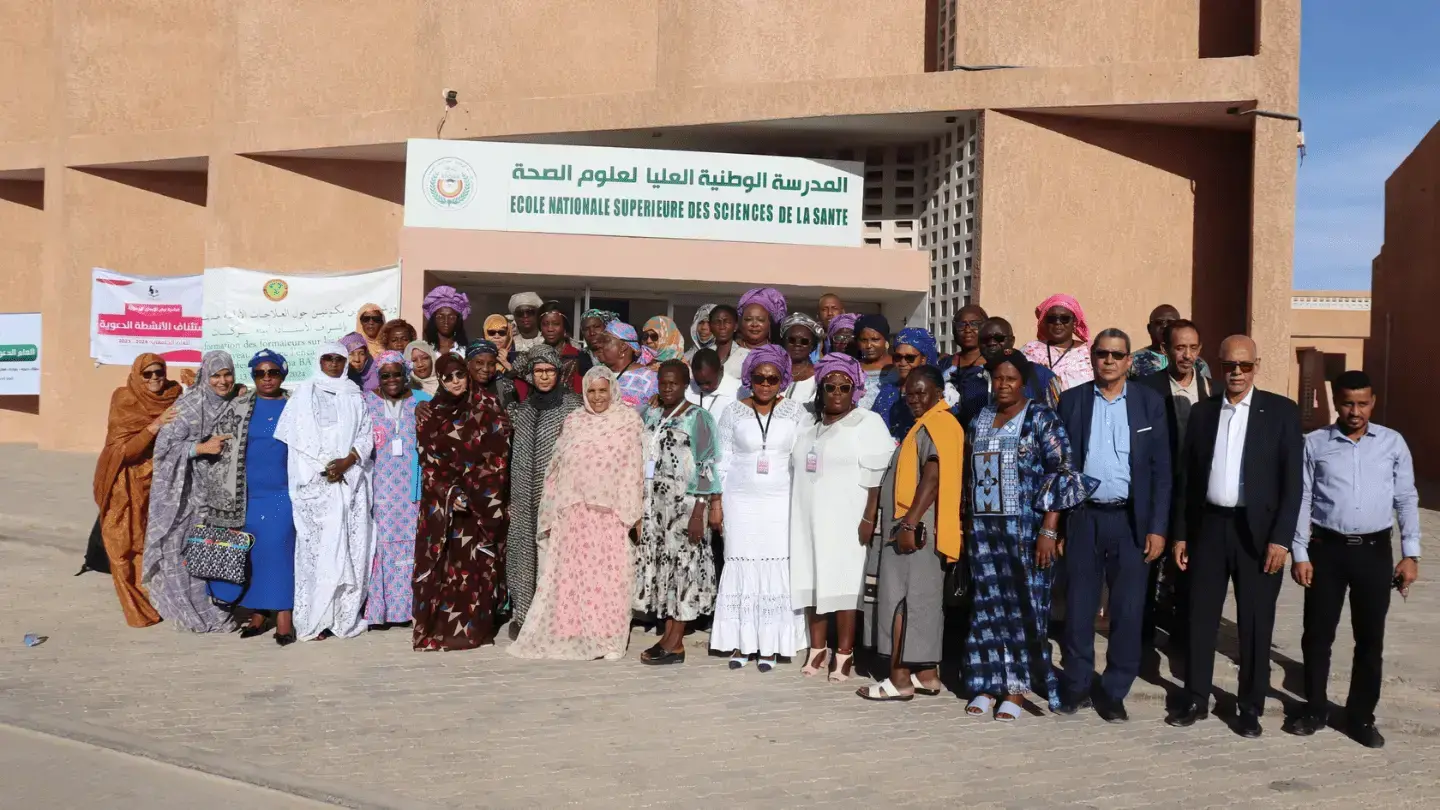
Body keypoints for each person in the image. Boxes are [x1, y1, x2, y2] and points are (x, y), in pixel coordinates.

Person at [1167, 336, 1303, 737]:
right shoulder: (1204, 412)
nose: (1237, 373)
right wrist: (1180, 535)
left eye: (1244, 365)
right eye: (1230, 366)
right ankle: (1194, 697)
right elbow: (1186, 480)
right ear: (1219, 367)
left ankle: (1249, 706)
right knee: (1200, 616)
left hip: (1258, 536)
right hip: (1209, 528)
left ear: (1256, 365)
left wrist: (1282, 539)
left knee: (1255, 622)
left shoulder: (1280, 412)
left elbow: (1293, 484)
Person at [1286, 370, 1421, 748]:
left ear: (1373, 402)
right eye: (1347, 403)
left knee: (1369, 639)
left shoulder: (1392, 444)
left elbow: (1406, 499)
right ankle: (1314, 708)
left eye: (1362, 403)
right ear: (1336, 402)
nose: (1355, 411)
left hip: (1375, 552)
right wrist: (1300, 553)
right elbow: (1303, 499)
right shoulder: (1314, 444)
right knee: (1317, 635)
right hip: (1326, 551)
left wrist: (1410, 553)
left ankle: (1360, 716)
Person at [962, 350, 1094, 718]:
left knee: (1024, 609)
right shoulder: (981, 418)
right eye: (998, 379)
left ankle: (1016, 690)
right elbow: (968, 476)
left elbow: (1063, 470)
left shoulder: (1041, 418)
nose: (1003, 385)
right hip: (985, 534)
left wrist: (1049, 529)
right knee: (987, 608)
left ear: (1023, 382)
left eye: (1011, 379)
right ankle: (987, 684)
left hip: (1027, 532)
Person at [1055, 329, 1171, 722]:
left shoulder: (1148, 403)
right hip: (1083, 518)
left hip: (1131, 521)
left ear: (1127, 361)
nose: (1108, 360)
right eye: (1102, 353)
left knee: (1127, 610)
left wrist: (1157, 527)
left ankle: (1114, 690)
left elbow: (1161, 470)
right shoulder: (1071, 402)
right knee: (1079, 608)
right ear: (1092, 357)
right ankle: (1076, 685)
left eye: (1116, 355)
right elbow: (1058, 467)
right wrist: (1054, 526)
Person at [509, 366, 646, 661]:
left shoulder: (628, 421)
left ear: (612, 390)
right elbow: (556, 466)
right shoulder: (574, 421)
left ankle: (608, 637)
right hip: (574, 513)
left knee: (609, 575)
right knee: (573, 575)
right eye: (592, 391)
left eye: (602, 390)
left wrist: (633, 512)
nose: (597, 397)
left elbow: (635, 467)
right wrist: (552, 509)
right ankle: (573, 630)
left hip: (611, 514)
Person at [857, 366, 964, 701]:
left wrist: (908, 523)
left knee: (900, 602)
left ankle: (899, 679)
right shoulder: (931, 424)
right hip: (921, 528)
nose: (915, 399)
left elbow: (932, 478)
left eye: (922, 392)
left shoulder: (938, 424)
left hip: (915, 530)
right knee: (923, 602)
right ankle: (927, 675)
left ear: (938, 393)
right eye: (910, 394)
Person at [790, 353, 893, 683]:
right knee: (812, 577)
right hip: (807, 514)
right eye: (829, 386)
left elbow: (877, 474)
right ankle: (817, 648)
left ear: (854, 390)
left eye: (844, 387)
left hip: (847, 515)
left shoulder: (867, 422)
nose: (836, 392)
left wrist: (868, 517)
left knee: (845, 581)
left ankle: (844, 653)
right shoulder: (809, 424)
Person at [712, 345, 807, 670]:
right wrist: (716, 502)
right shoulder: (732, 412)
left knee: (775, 567)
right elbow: (721, 460)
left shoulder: (796, 412)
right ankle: (742, 643)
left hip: (780, 502)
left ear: (782, 380)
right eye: (759, 378)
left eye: (772, 379)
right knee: (740, 563)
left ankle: (770, 646)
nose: (765, 384)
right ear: (749, 378)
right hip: (740, 502)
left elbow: (804, 457)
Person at [274, 342, 374, 641]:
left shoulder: (354, 395)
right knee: (316, 554)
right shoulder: (303, 394)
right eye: (327, 358)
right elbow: (295, 439)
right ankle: (314, 621)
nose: (333, 363)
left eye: (339, 359)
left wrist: (348, 461)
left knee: (351, 552)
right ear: (319, 361)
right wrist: (324, 467)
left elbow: (366, 434)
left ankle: (343, 618)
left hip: (350, 484)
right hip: (315, 488)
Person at [413, 354, 513, 651]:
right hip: (445, 505)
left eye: (460, 375)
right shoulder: (430, 413)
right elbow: (428, 460)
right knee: (447, 567)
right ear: (440, 380)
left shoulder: (489, 407)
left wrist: (475, 491)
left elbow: (499, 455)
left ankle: (476, 630)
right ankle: (440, 629)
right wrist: (450, 492)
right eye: (448, 377)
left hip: (482, 501)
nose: (455, 382)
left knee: (477, 567)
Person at [144, 351, 243, 633]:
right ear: (205, 376)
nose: (222, 381)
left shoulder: (236, 402)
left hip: (220, 493)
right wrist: (200, 448)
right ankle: (192, 610)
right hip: (186, 494)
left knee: (214, 549)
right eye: (216, 375)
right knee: (182, 550)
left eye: (227, 374)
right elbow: (163, 448)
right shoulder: (188, 406)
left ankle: (217, 608)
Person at [205, 350, 298, 644]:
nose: (267, 378)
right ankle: (258, 614)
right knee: (254, 553)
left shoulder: (296, 406)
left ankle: (284, 616)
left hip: (283, 493)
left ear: (283, 374)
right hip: (247, 494)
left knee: (280, 552)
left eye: (273, 373)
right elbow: (220, 448)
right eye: (260, 373)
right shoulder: (239, 406)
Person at [635, 360, 723, 665]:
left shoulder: (698, 418)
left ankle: (675, 641)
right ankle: (668, 637)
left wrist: (700, 511)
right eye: (663, 383)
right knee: (666, 573)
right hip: (655, 511)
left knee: (684, 571)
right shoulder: (652, 415)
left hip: (685, 510)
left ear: (686, 384)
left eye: (674, 383)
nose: (668, 388)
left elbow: (707, 466)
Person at [1135, 318, 1211, 650]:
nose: (1187, 355)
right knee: (1151, 561)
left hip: (1196, 493)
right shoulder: (1146, 388)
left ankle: (1184, 635)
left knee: (1191, 566)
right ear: (1165, 350)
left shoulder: (1211, 389)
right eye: (1180, 347)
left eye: (1193, 348)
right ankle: (1143, 637)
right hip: (1156, 489)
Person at [93, 353, 179, 627]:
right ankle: (136, 608)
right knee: (121, 546)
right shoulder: (124, 399)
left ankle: (155, 600)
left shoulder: (174, 395)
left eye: (159, 372)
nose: (155, 378)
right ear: (137, 375)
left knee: (150, 543)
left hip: (158, 482)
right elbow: (124, 451)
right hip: (124, 483)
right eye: (148, 374)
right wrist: (155, 425)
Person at [505, 345, 583, 639]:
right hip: (523, 491)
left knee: (554, 552)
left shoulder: (573, 407)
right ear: (531, 374)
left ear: (558, 373)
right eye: (538, 371)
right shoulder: (520, 411)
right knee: (522, 550)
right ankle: (523, 613)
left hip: (557, 494)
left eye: (550, 370)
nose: (545, 376)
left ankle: (553, 614)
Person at [363, 350, 430, 629]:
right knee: (382, 547)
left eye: (397, 374)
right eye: (385, 375)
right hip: (380, 490)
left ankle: (410, 609)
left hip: (412, 490)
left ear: (406, 375)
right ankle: (382, 610)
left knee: (414, 546)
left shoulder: (422, 401)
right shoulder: (367, 403)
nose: (391, 380)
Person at [969, 317, 1063, 416]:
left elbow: (1058, 418)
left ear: (1012, 341)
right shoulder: (972, 380)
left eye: (999, 338)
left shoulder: (1041, 376)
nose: (992, 343)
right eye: (985, 339)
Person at [871, 327, 938, 440]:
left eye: (910, 358)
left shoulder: (940, 394)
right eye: (897, 357)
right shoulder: (886, 393)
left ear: (923, 359)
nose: (902, 363)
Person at [1021, 294, 1093, 392]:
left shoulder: (1090, 352)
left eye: (1064, 319)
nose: (1058, 323)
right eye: (1052, 319)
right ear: (1045, 322)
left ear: (1074, 323)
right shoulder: (1030, 350)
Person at [1129, 304, 1211, 381]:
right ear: (1149, 328)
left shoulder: (1198, 364)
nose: (1164, 326)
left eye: (1170, 323)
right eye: (1159, 323)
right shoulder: (1133, 361)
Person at [942, 304, 988, 421]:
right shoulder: (944, 365)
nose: (967, 329)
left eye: (974, 324)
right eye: (961, 325)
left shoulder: (994, 365)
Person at [598, 321, 658, 410]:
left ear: (623, 347)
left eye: (605, 341)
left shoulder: (649, 379)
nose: (599, 345)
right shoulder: (597, 375)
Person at [537, 300, 590, 391]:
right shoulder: (533, 357)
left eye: (556, 324)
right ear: (540, 328)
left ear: (565, 328)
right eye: (545, 324)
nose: (550, 329)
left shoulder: (580, 357)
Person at [778, 313, 823, 407]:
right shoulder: (773, 371)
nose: (797, 344)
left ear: (812, 346)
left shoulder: (819, 376)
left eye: (804, 341)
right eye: (791, 340)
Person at [684, 348, 740, 420]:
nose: (704, 387)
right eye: (699, 383)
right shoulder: (688, 389)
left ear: (721, 370)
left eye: (708, 382)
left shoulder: (738, 393)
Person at [464, 339, 517, 409]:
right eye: (479, 362)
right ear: (468, 363)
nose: (485, 369)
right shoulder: (460, 385)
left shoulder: (503, 386)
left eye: (491, 364)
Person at [422, 285, 471, 358]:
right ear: (433, 319)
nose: (446, 321)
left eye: (451, 317)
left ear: (458, 320)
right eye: (440, 317)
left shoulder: (466, 351)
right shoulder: (424, 349)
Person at [853, 313, 890, 410]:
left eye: (875, 339)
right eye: (863, 340)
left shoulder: (899, 365)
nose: (869, 345)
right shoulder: (854, 367)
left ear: (885, 339)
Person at [710, 304, 747, 379]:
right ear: (710, 327)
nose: (722, 327)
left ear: (735, 326)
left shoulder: (746, 356)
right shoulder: (704, 354)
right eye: (717, 322)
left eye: (727, 322)